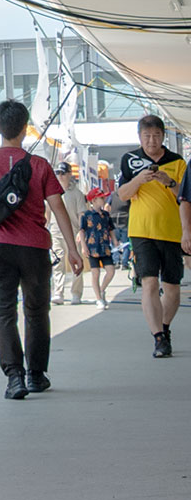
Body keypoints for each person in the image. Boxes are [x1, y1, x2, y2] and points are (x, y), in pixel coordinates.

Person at [0, 99, 83, 400]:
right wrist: (72, 249)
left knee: (3, 313)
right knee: (37, 311)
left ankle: (14, 377)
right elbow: (58, 207)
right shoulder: (38, 165)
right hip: (34, 249)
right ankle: (36, 375)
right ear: (25, 128)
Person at [116, 114, 184, 358]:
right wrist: (138, 180)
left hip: (171, 231)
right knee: (150, 282)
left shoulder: (177, 162)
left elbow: (185, 197)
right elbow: (122, 194)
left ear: (163, 136)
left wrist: (170, 182)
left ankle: (164, 328)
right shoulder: (130, 160)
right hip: (141, 231)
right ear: (139, 137)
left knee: (172, 288)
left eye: (156, 135)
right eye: (147, 136)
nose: (152, 141)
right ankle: (158, 338)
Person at [51, 161, 90, 305]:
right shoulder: (52, 192)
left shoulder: (77, 193)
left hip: (73, 232)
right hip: (56, 231)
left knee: (76, 262)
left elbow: (82, 214)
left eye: (63, 173)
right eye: (58, 173)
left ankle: (76, 293)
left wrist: (81, 231)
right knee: (57, 262)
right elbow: (47, 212)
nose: (60, 176)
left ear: (69, 174)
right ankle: (58, 292)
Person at [82, 188, 117, 309]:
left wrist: (115, 240)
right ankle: (98, 298)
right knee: (95, 273)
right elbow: (82, 231)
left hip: (105, 247)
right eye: (101, 198)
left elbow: (110, 228)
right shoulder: (87, 215)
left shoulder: (106, 215)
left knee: (111, 271)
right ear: (94, 200)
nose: (104, 199)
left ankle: (101, 290)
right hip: (92, 248)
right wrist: (83, 246)